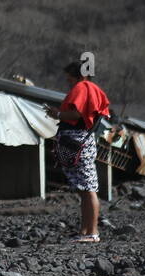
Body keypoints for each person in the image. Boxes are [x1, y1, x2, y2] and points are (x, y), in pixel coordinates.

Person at [45, 62, 111, 243]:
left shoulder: (82, 87)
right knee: (84, 188)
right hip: (82, 140)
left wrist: (57, 114)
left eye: (70, 77)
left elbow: (77, 114)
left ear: (79, 76)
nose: (68, 81)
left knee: (88, 189)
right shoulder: (93, 89)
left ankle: (92, 232)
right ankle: (85, 231)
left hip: (77, 140)